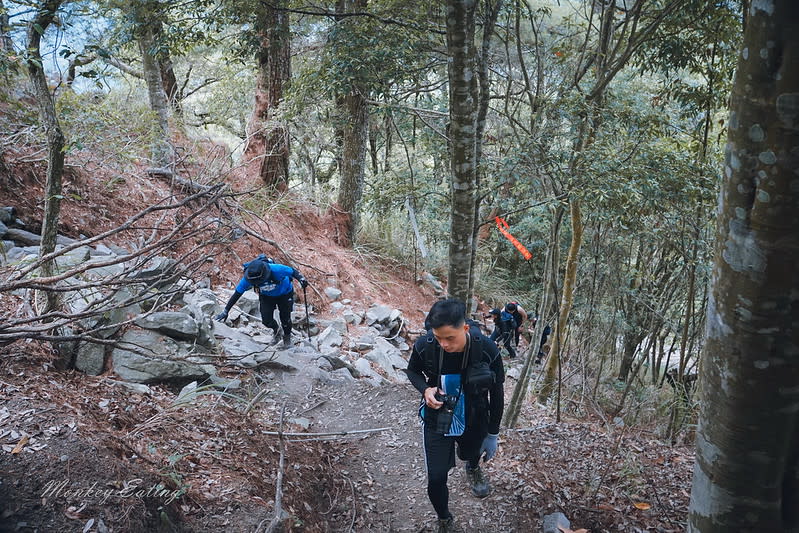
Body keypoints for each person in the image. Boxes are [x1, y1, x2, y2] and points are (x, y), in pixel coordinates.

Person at [405, 299, 505, 533]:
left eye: (450, 337)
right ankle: (444, 518)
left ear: (465, 329)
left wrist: (493, 433)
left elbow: (497, 393)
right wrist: (426, 389)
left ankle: (472, 467)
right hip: (437, 416)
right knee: (437, 478)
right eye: (439, 337)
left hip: (474, 415)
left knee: (470, 453)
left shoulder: (487, 349)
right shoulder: (426, 345)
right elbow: (412, 371)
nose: (444, 344)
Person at [215, 255, 308, 349]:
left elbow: (293, 271)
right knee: (266, 320)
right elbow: (237, 294)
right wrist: (226, 310)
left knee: (285, 318)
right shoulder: (248, 278)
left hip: (285, 293)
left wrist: (301, 279)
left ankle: (287, 339)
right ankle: (276, 330)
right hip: (266, 296)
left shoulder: (276, 269)